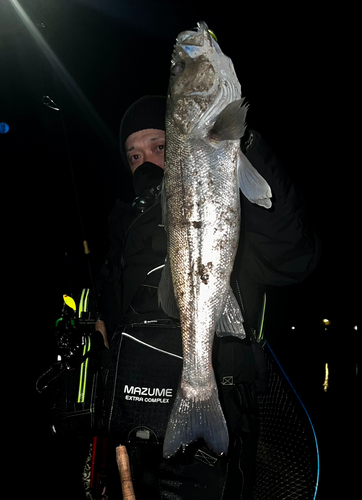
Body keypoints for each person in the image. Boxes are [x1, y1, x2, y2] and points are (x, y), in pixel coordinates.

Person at [94, 95, 321, 500]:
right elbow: (108, 321)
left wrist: (242, 143)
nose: (145, 163)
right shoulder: (122, 232)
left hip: (223, 416)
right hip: (134, 424)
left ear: (186, 145)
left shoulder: (227, 211)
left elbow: (295, 257)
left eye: (159, 147)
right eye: (133, 156)